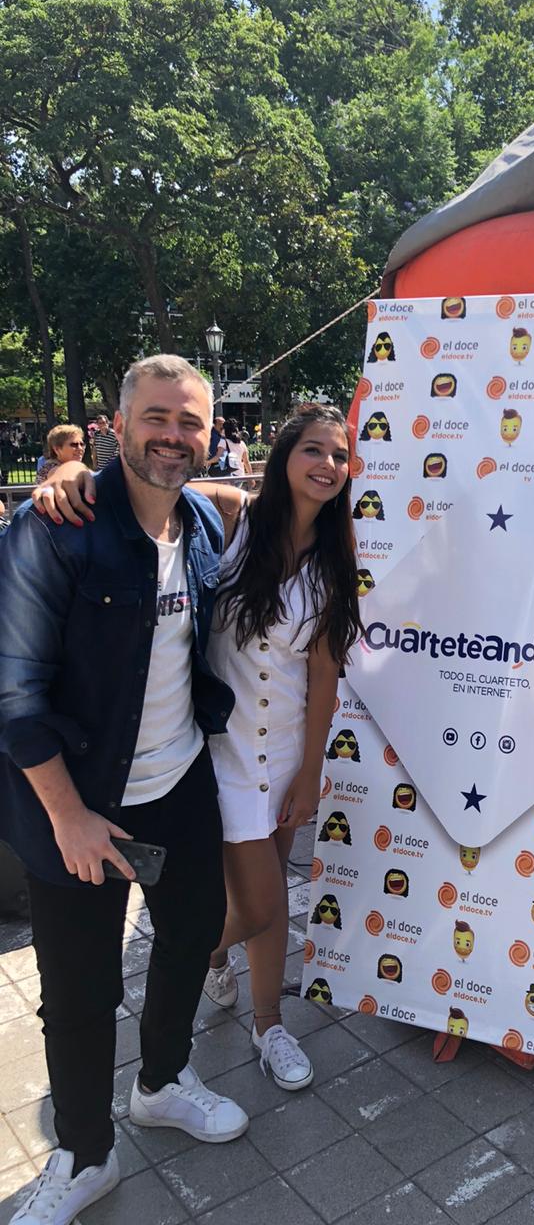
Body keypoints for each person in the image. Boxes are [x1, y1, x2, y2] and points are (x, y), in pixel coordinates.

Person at [0, 356, 248, 1225]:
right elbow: (15, 694)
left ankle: (162, 1081)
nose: (172, 436)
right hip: (75, 797)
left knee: (186, 941)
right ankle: (84, 1155)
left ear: (210, 432)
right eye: (156, 418)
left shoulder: (206, 527)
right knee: (77, 990)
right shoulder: (54, 530)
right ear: (117, 421)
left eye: (190, 421)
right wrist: (66, 815)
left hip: (180, 782)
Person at [198, 405, 360, 1089]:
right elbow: (150, 485)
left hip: (287, 749)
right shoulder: (231, 517)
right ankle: (194, 954)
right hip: (222, 749)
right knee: (261, 903)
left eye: (340, 456)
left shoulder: (333, 562)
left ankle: (269, 1027)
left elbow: (324, 678)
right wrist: (76, 480)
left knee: (270, 893)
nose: (328, 464)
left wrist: (311, 772)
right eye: (314, 450)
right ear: (285, 454)